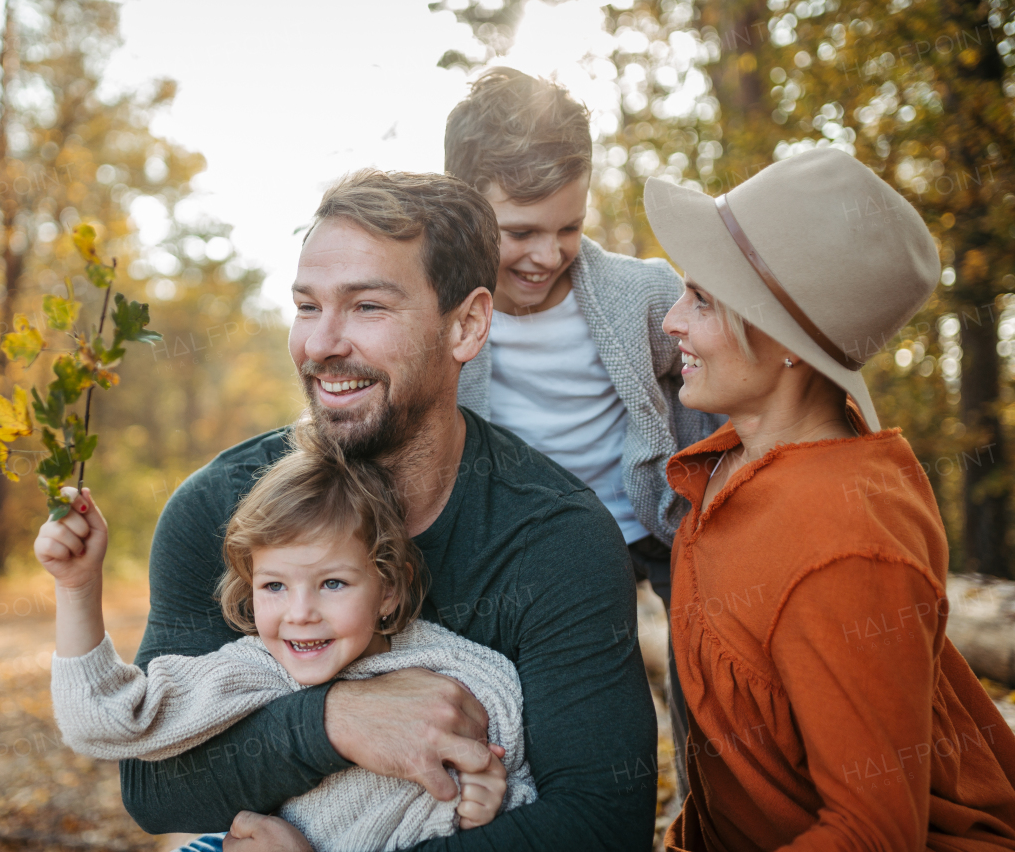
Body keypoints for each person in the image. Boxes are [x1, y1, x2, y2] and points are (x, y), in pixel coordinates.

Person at [113, 169, 657, 851]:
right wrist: (335, 722)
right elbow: (151, 785)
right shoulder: (219, 510)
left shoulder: (556, 539)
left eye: (366, 307)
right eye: (308, 306)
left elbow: (602, 825)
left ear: (466, 325)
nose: (320, 344)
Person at [642, 147, 1015, 850]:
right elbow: (739, 777)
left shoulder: (844, 545)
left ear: (784, 340)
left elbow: (873, 832)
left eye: (701, 300)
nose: (670, 323)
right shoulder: (731, 466)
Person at [34, 425, 535, 852]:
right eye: (275, 586)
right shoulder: (252, 669)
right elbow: (103, 719)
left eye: (332, 584)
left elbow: (531, 796)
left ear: (389, 587)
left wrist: (479, 811)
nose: (300, 615)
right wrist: (78, 587)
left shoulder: (464, 673)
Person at [446, 66, 720, 793]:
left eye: (569, 227)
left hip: (655, 517)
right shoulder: (446, 314)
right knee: (574, 693)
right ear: (464, 208)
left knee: (708, 665)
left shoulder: (642, 293)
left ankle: (710, 808)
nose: (548, 254)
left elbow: (714, 375)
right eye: (521, 232)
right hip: (542, 542)